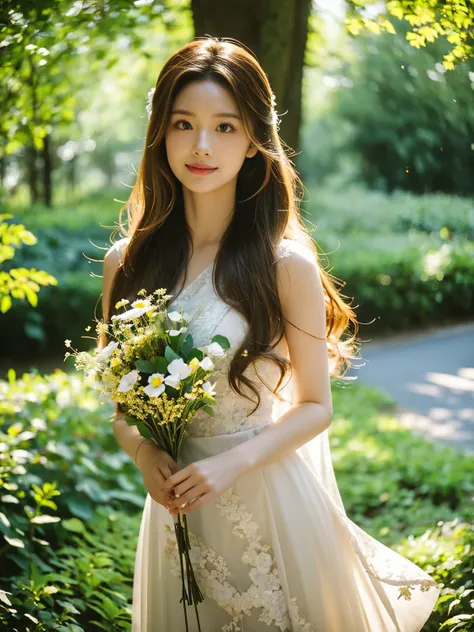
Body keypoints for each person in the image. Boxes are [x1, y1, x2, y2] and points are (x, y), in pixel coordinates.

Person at [99, 36, 440, 632]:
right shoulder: (127, 262)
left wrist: (232, 465)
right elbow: (122, 406)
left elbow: (314, 407)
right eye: (183, 123)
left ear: (255, 139)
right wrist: (144, 451)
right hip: (176, 509)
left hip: (268, 498)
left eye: (225, 127)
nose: (201, 146)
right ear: (161, 132)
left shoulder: (284, 264)